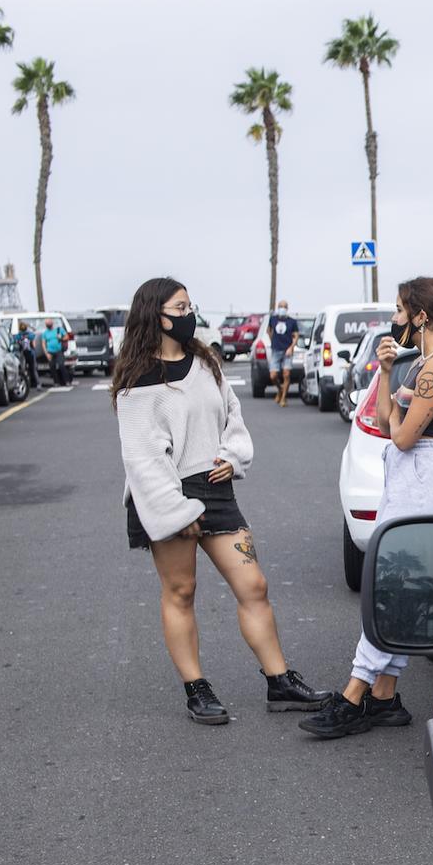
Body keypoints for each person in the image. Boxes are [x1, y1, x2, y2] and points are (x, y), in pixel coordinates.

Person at [113, 276, 332, 725]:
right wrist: (177, 511)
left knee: (254, 585)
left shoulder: (206, 362)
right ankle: (196, 688)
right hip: (166, 494)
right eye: (180, 308)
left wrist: (233, 456)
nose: (189, 314)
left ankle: (279, 681)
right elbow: (142, 458)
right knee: (181, 591)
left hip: (215, 487)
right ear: (156, 315)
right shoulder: (137, 382)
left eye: (190, 306)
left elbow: (232, 416)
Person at [302, 276, 433, 739]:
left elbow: (402, 436)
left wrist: (399, 411)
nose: (394, 320)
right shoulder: (420, 364)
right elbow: (383, 421)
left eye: (399, 311)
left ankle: (354, 693)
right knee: (399, 588)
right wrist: (384, 371)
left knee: (394, 587)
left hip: (424, 480)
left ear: (420, 316)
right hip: (410, 479)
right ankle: (383, 696)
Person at [266, 300, 297, 406]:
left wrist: (291, 347)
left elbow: (296, 336)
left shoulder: (292, 321)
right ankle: (280, 389)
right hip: (276, 350)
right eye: (280, 306)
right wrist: (273, 341)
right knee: (273, 376)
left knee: (286, 374)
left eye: (284, 306)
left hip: (287, 351)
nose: (282, 308)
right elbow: (269, 331)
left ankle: (283, 398)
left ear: (287, 308)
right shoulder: (273, 319)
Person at [42, 319, 68, 386]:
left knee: (61, 365)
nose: (48, 325)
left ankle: (66, 381)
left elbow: (66, 337)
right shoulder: (45, 333)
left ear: (52, 323)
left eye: (49, 323)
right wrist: (46, 353)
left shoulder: (59, 330)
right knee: (52, 367)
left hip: (59, 351)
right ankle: (56, 382)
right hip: (50, 352)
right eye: (47, 324)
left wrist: (61, 338)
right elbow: (43, 344)